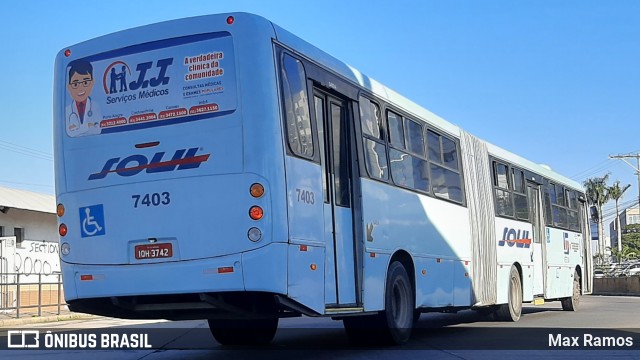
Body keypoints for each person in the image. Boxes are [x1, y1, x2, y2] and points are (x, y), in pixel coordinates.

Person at [66, 59, 101, 137]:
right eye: (75, 84)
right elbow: (69, 133)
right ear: (69, 87)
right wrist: (88, 126)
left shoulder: (96, 106)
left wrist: (77, 129)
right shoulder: (67, 111)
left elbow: (98, 130)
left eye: (85, 83)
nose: (81, 89)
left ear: (92, 83)